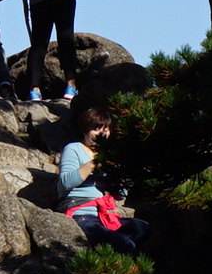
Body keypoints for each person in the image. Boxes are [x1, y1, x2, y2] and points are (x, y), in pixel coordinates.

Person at [60, 103, 149, 253]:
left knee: (142, 228)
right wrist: (94, 162)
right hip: (82, 213)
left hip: (105, 215)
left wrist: (121, 180)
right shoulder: (74, 148)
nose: (102, 134)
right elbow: (65, 182)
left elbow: (120, 195)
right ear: (85, 130)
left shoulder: (110, 156)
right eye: (96, 129)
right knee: (124, 244)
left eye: (105, 129)